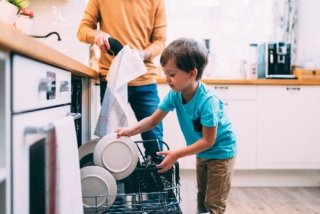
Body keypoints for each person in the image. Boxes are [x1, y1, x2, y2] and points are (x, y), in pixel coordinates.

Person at [116, 38, 237, 214]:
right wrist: (129, 130)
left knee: (214, 203)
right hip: (202, 153)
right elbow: (152, 120)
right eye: (165, 73)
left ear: (192, 73)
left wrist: (176, 154)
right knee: (202, 198)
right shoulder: (175, 94)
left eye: (171, 74)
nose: (167, 79)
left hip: (221, 154)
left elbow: (208, 141)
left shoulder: (208, 102)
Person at [77, 0, 167, 157]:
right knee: (112, 141)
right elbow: (82, 31)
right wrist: (97, 35)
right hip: (113, 79)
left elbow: (160, 41)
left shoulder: (156, 2)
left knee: (155, 143)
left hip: (144, 79)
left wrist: (142, 54)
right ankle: (116, 182)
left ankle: (156, 181)